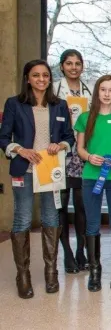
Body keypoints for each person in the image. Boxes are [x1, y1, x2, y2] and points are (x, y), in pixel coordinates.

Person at [0, 60, 74, 298]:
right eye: (36, 75)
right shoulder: (14, 104)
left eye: (45, 75)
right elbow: (3, 138)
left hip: (50, 170)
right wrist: (19, 149)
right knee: (22, 218)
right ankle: (23, 275)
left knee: (51, 217)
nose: (41, 79)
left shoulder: (60, 105)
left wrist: (60, 145)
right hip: (24, 170)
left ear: (50, 79)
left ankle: (51, 272)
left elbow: (69, 137)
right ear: (27, 78)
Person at [75, 75, 111, 292]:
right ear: (97, 92)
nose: (107, 94)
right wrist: (89, 157)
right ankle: (95, 270)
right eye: (103, 90)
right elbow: (80, 148)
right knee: (92, 223)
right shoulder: (85, 118)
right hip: (92, 177)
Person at [53, 49, 93, 274]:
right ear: (62, 66)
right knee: (60, 205)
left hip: (82, 152)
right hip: (59, 152)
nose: (74, 67)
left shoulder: (89, 91)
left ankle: (81, 251)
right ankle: (67, 253)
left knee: (81, 206)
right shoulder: (53, 91)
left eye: (78, 63)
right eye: (69, 63)